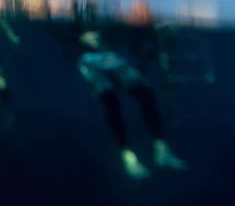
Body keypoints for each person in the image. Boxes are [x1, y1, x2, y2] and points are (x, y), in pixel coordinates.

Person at [77, 29, 187, 179]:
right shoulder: (85, 53)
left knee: (145, 95)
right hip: (91, 58)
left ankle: (161, 148)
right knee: (111, 103)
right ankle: (128, 156)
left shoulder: (107, 40)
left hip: (109, 55)